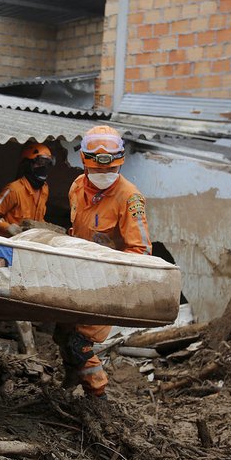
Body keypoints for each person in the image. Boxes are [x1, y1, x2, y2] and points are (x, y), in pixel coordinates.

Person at [56, 125, 152, 399]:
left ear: (119, 163)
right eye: (97, 171)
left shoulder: (129, 198)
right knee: (63, 336)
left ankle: (98, 399)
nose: (103, 176)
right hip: (76, 276)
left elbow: (141, 251)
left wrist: (113, 275)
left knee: (79, 345)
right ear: (85, 162)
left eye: (109, 170)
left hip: (106, 284)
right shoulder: (76, 188)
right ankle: (68, 387)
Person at [0, 143, 55, 237]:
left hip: (27, 242)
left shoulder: (44, 189)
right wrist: (7, 227)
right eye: (39, 163)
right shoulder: (14, 190)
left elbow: (38, 220)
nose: (43, 168)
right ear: (28, 164)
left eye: (47, 164)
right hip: (7, 242)